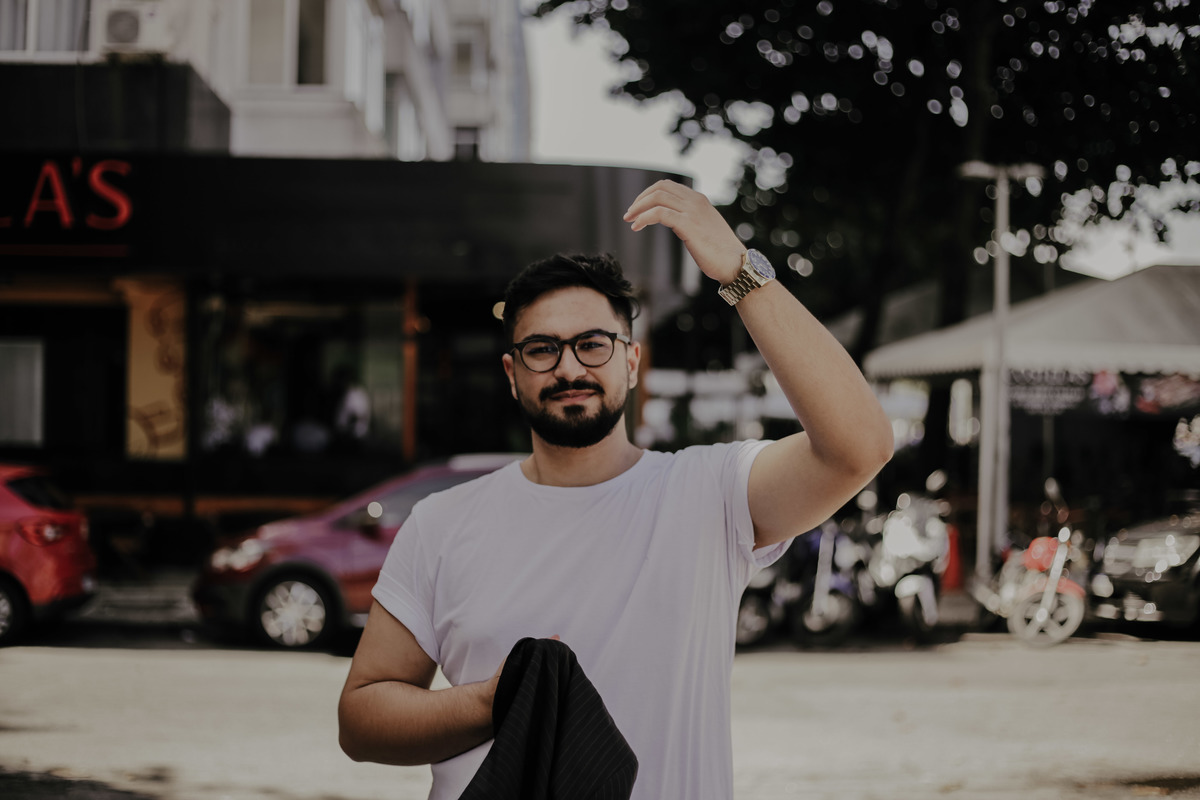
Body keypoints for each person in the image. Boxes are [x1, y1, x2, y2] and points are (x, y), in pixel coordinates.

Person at [338, 180, 894, 799]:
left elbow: (860, 447)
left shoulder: (708, 492)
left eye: (592, 345)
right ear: (512, 374)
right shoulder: (441, 522)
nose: (569, 367)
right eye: (542, 349)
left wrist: (740, 272)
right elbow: (362, 720)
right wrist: (497, 701)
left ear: (631, 362)